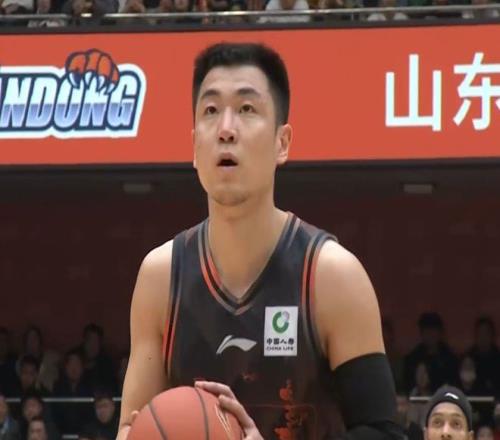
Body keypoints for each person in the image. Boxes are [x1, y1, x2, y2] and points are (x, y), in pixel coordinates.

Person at [118, 42, 402, 440]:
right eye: (210, 110)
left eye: (247, 109)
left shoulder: (332, 276)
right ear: (194, 147)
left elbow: (384, 433)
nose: (226, 128)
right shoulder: (160, 278)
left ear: (282, 143)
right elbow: (133, 427)